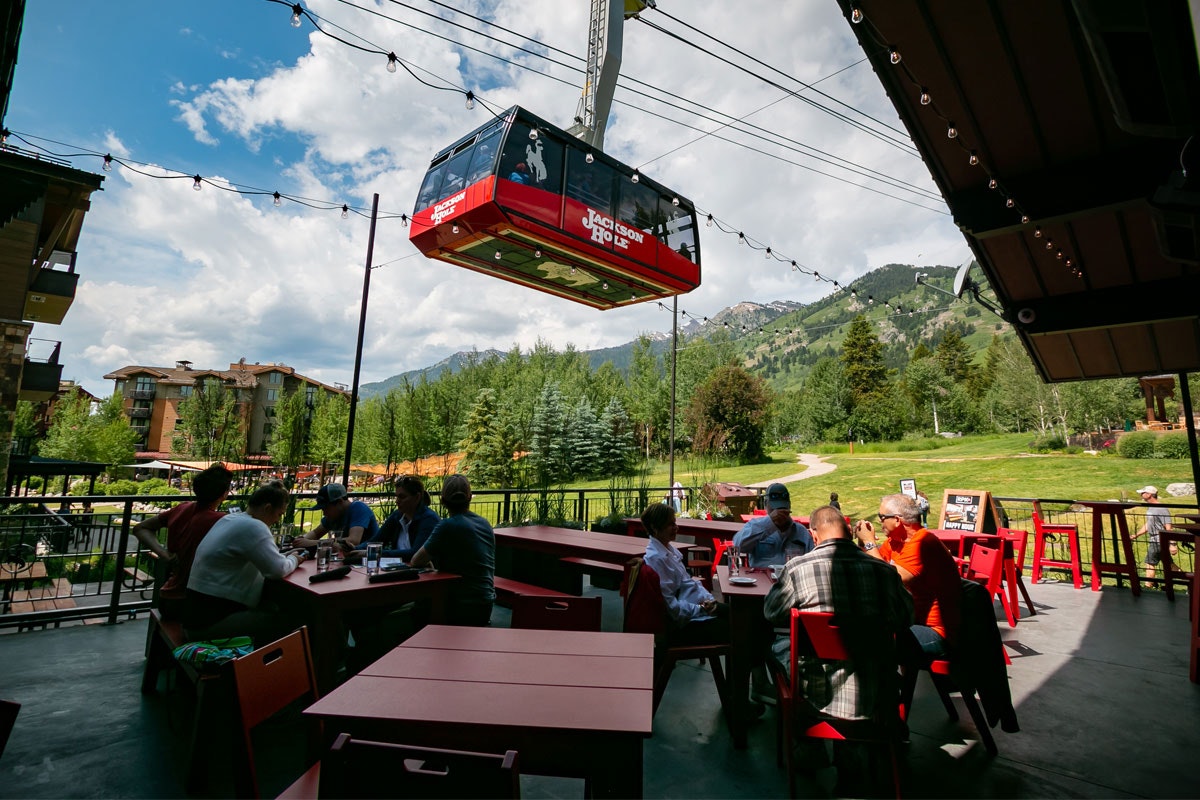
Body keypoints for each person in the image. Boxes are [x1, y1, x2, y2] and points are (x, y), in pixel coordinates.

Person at [763, 505, 913, 791]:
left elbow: (771, 612)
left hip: (815, 688)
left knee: (778, 649)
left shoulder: (798, 569)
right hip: (875, 688)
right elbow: (906, 618)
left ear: (813, 535)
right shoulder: (883, 571)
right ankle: (852, 759)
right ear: (848, 531)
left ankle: (807, 746)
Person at [183, 480, 307, 645]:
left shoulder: (231, 519)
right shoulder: (254, 526)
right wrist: (295, 559)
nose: (277, 520)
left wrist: (283, 556)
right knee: (292, 620)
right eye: (279, 514)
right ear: (267, 508)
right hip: (207, 624)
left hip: (195, 615)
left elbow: (262, 557)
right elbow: (278, 570)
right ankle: (265, 668)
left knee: (273, 609)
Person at [854, 493, 961, 661]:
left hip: (937, 632)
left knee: (872, 641)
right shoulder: (894, 541)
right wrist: (863, 545)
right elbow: (872, 569)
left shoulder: (922, 543)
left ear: (897, 520)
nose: (879, 522)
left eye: (881, 517)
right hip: (911, 621)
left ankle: (886, 686)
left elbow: (887, 577)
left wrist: (870, 543)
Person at [131, 464, 233, 620]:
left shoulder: (181, 509)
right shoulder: (221, 521)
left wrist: (163, 553)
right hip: (191, 602)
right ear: (224, 494)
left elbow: (140, 528)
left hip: (167, 595)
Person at [409, 475, 495, 626]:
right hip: (485, 603)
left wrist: (429, 563)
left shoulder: (448, 525)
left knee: (409, 614)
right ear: (470, 497)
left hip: (460, 605)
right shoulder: (485, 523)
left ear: (442, 500)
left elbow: (416, 560)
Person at [640, 503, 728, 646]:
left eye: (675, 522)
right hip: (687, 625)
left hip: (700, 610)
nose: (676, 527)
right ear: (655, 529)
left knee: (744, 619)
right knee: (741, 626)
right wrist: (700, 609)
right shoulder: (657, 560)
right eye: (670, 524)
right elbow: (671, 608)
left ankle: (757, 666)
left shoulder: (668, 551)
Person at [734, 483, 813, 568]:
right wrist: (770, 522)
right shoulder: (755, 526)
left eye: (782, 508)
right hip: (762, 579)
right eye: (774, 509)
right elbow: (738, 546)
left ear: (789, 506)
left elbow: (812, 561)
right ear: (765, 505)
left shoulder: (801, 532)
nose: (778, 513)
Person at [292, 483, 380, 556]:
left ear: (340, 502)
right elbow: (315, 533)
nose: (324, 513)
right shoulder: (334, 515)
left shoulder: (358, 508)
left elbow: (353, 540)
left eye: (326, 508)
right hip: (350, 560)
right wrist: (300, 541)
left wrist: (312, 543)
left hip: (370, 559)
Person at [379, 475, 440, 562]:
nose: (397, 501)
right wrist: (354, 549)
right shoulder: (397, 516)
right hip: (398, 569)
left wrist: (378, 553)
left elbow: (415, 553)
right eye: (396, 496)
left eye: (402, 497)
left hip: (422, 572)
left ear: (417, 497)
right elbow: (377, 539)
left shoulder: (429, 520)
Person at [1133, 485, 1175, 581]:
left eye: (1143, 493)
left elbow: (1168, 526)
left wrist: (1172, 544)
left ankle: (1148, 586)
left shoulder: (1161, 508)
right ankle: (1190, 583)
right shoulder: (1151, 508)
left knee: (1149, 563)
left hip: (1158, 540)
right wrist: (1136, 535)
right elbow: (1149, 524)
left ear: (1149, 494)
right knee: (1169, 564)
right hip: (1157, 539)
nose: (1141, 495)